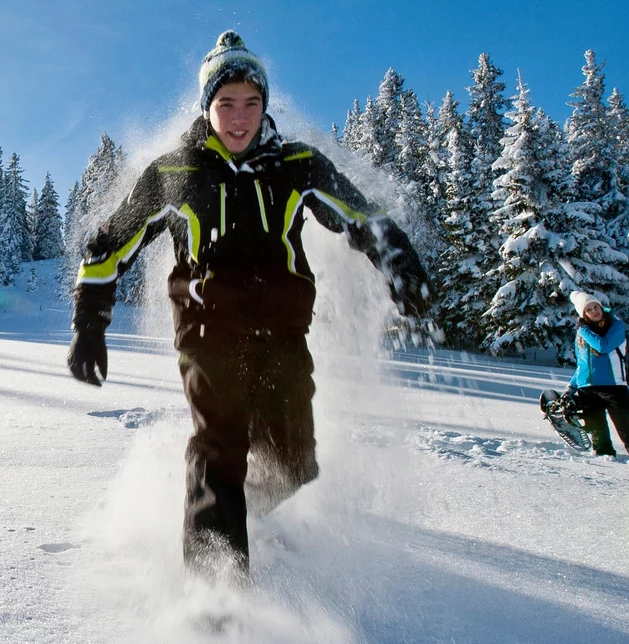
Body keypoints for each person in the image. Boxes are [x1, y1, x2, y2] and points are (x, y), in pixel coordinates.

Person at [65, 31, 432, 579]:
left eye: (251, 104)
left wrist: (397, 261)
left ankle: (235, 509)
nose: (239, 118)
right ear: (207, 107)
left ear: (265, 106)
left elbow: (360, 216)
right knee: (219, 448)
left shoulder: (296, 165)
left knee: (294, 463)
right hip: (207, 334)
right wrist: (89, 323)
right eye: (226, 104)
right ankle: (217, 601)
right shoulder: (174, 174)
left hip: (284, 337)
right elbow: (109, 244)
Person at [567, 291, 629, 467]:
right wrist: (571, 387)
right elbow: (582, 365)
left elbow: (604, 346)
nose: (594, 311)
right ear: (582, 315)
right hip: (587, 389)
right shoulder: (582, 335)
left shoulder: (615, 326)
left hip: (614, 388)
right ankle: (608, 468)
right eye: (588, 310)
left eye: (596, 307)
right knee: (598, 434)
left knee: (628, 433)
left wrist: (582, 329)